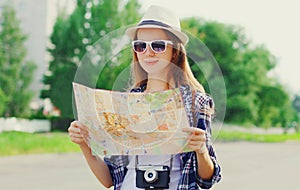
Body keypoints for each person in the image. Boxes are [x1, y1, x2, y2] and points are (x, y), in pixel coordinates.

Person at [68, 5, 221, 190]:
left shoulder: (196, 102)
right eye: (140, 46)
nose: (148, 52)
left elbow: (207, 179)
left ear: (175, 51)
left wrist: (201, 150)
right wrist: (85, 145)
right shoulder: (124, 104)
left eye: (158, 45)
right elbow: (109, 179)